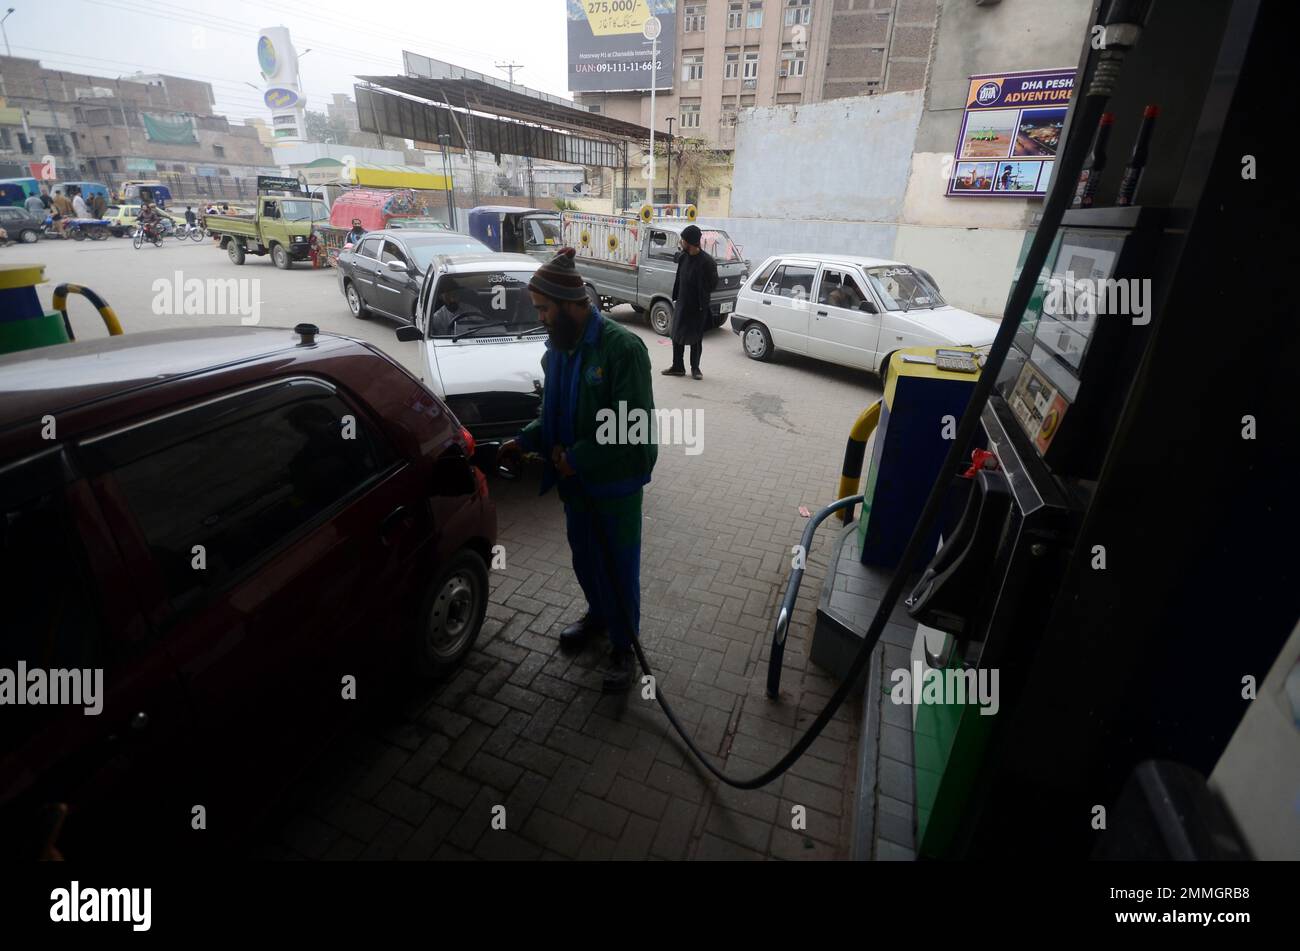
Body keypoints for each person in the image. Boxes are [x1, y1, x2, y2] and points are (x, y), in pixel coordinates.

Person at [497, 248, 657, 692]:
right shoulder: (559, 350)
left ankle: (624, 648)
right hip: (576, 487)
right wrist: (525, 439)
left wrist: (578, 457)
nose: (542, 317)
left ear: (571, 304)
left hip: (615, 486)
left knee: (619, 566)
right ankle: (598, 617)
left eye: (545, 309)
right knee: (585, 558)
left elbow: (632, 424)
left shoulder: (623, 349)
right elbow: (555, 412)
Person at [662, 224, 717, 381]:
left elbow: (713, 283)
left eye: (683, 240)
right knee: (676, 336)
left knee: (695, 339)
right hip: (682, 303)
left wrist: (702, 292)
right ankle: (678, 367)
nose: (681, 242)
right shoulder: (683, 257)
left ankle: (695, 368)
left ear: (691, 242)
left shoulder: (707, 262)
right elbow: (679, 276)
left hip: (698, 307)